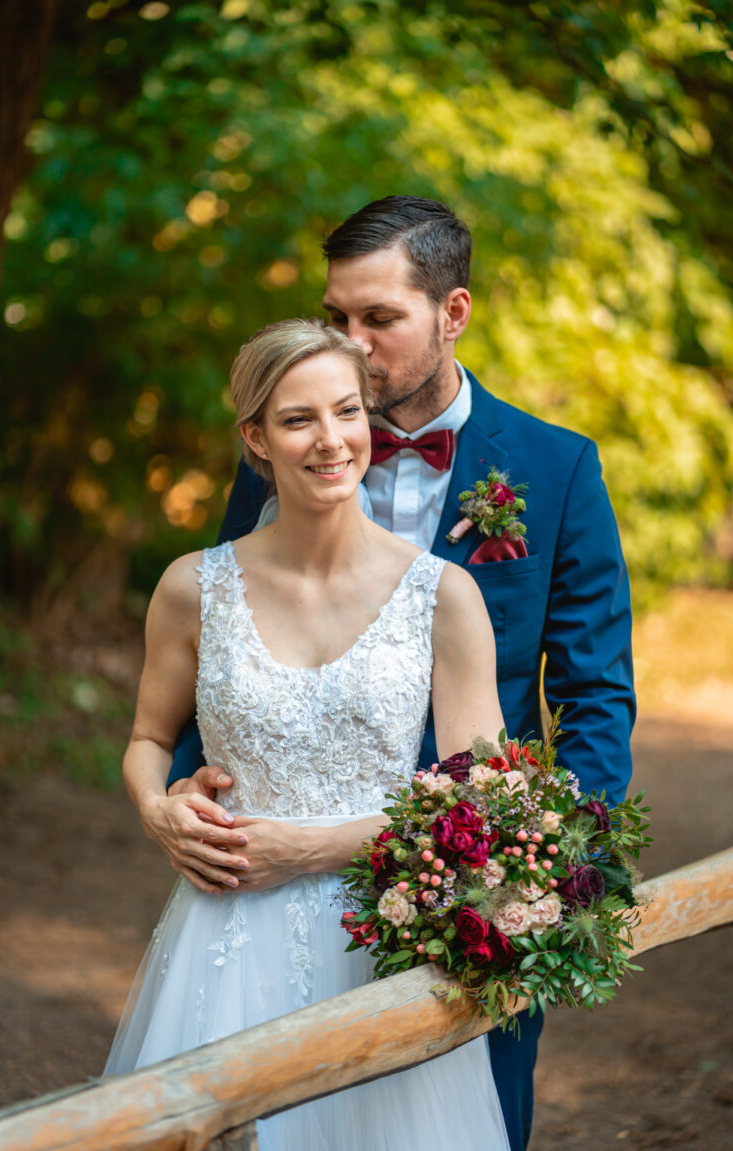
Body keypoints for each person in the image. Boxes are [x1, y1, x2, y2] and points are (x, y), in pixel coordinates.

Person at [151, 196, 636, 1150]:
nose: (350, 344)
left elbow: (593, 695)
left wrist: (546, 877)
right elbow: (226, 634)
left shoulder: (556, 468)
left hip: (468, 888)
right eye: (336, 315)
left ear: (452, 313)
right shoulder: (290, 446)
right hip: (268, 884)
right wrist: (185, 794)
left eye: (379, 318)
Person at [105, 318, 511, 1150]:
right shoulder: (191, 587)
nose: (331, 440)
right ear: (256, 437)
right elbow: (148, 739)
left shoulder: (443, 596)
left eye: (347, 411)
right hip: (223, 936)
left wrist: (309, 850)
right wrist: (157, 808)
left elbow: (481, 800)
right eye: (298, 419)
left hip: (386, 933)